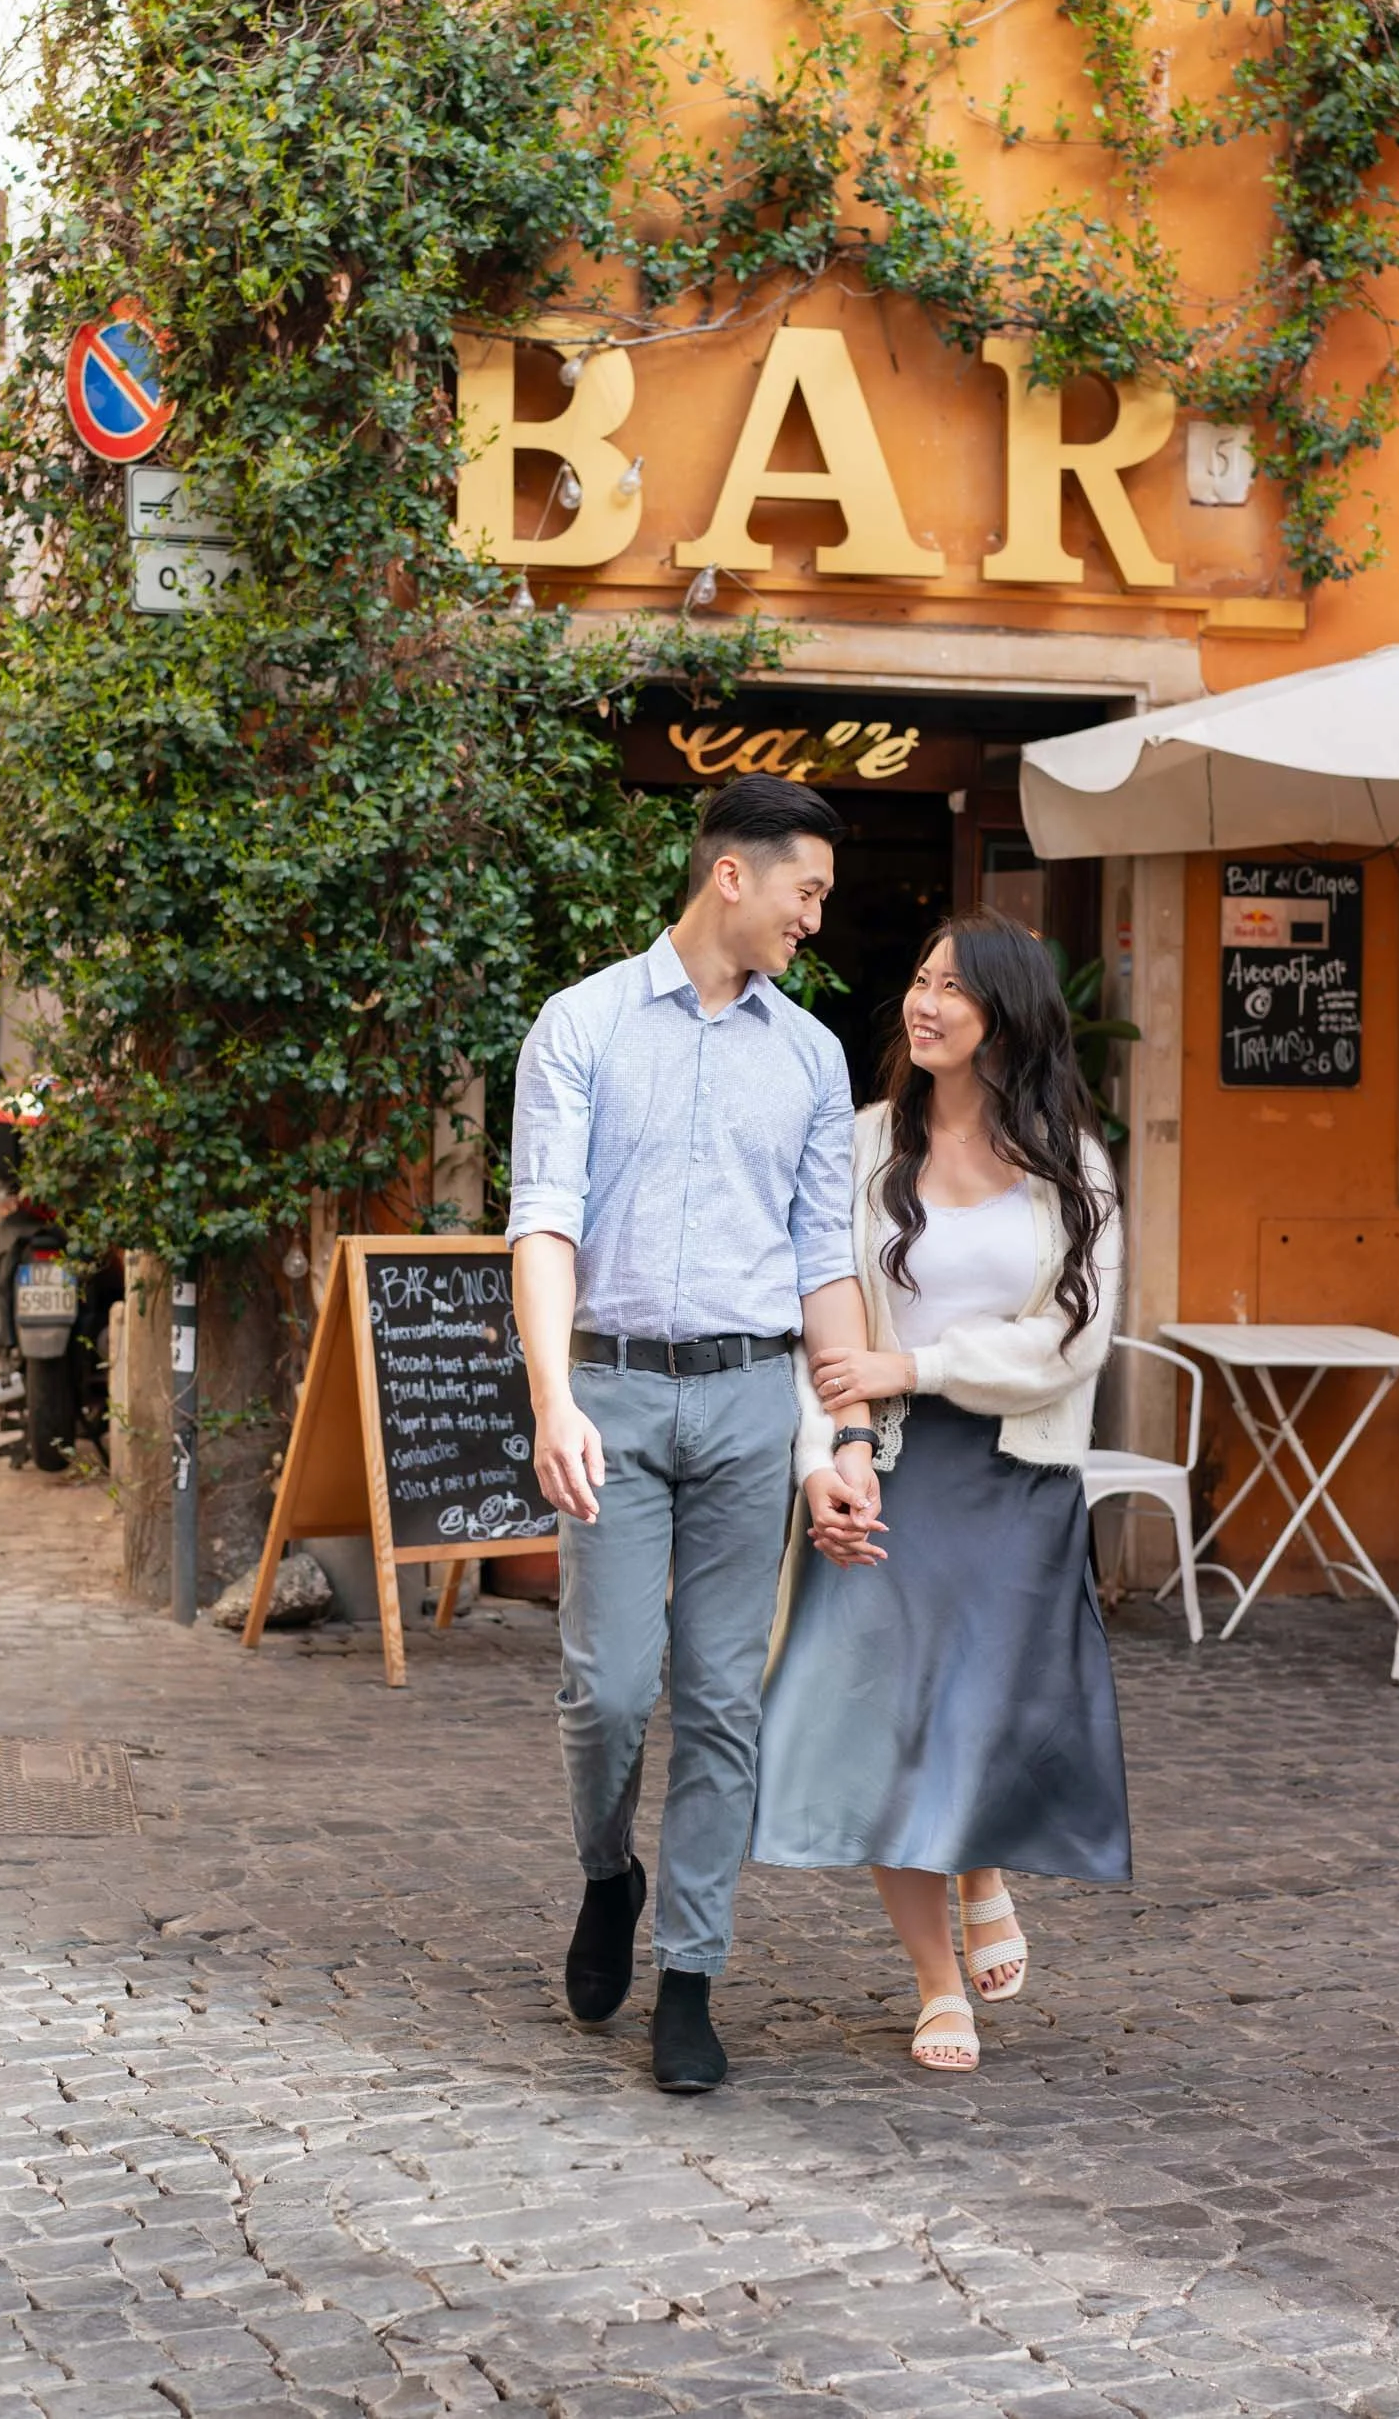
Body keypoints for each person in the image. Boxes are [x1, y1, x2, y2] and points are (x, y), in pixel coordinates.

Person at [507, 774, 881, 2094]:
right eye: (806, 891)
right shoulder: (583, 1026)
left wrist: (843, 1436)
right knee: (607, 1688)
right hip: (608, 1386)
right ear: (733, 873)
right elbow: (542, 1225)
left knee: (724, 1699)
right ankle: (608, 1873)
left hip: (745, 1398)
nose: (813, 919)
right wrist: (552, 1396)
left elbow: (821, 1264)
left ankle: (690, 1974)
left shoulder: (811, 1057)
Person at [752, 911, 1130, 2072]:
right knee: (878, 1723)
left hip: (1010, 1480)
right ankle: (933, 1985)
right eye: (918, 980)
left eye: (951, 990)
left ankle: (979, 1866)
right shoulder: (861, 1147)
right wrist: (826, 1453)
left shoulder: (1072, 1164)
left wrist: (914, 1362)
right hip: (886, 1469)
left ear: (1003, 1016)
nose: (922, 1004)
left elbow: (1073, 1340)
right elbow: (812, 1327)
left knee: (975, 1717)